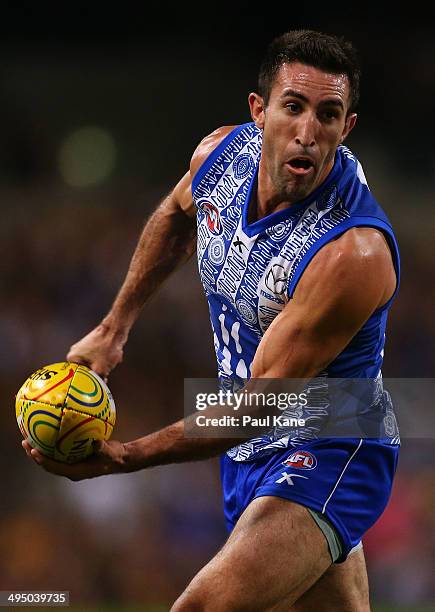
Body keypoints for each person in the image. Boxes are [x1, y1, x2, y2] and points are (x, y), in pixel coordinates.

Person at [23, 30, 400, 611]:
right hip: (250, 436)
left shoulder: (353, 254)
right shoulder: (221, 157)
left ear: (347, 126)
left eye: (328, 114)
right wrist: (114, 326)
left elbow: (260, 405)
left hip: (332, 438)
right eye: (292, 107)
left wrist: (126, 458)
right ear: (259, 110)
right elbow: (177, 215)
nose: (307, 131)